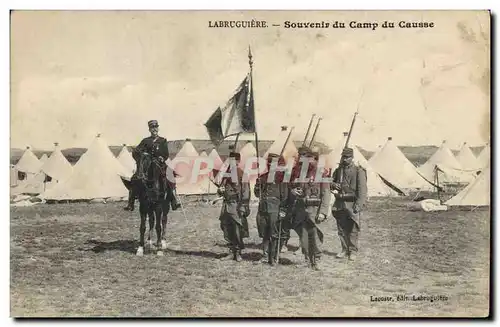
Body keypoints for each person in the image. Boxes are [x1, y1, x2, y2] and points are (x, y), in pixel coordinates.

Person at [286, 146, 331, 270]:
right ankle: (307, 260)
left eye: (308, 159)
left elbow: (326, 193)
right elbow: (291, 186)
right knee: (304, 237)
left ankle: (317, 260)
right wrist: (293, 191)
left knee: (315, 236)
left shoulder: (321, 173)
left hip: (314, 211)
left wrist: (323, 212)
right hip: (301, 210)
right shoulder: (299, 172)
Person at [123, 120, 181, 211]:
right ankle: (131, 203)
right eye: (152, 128)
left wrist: (163, 157)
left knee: (170, 175)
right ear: (149, 129)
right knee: (135, 178)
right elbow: (137, 151)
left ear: (158, 128)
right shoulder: (145, 141)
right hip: (147, 164)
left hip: (159, 163)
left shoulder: (163, 140)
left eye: (156, 127)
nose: (154, 129)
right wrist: (141, 155)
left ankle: (173, 201)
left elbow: (166, 153)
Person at [330, 147, 368, 261]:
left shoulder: (358, 171)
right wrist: (333, 184)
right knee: (341, 229)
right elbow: (331, 181)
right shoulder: (338, 170)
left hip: (352, 204)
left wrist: (359, 205)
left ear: (352, 158)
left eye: (347, 157)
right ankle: (344, 249)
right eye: (343, 157)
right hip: (340, 203)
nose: (345, 159)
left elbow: (362, 190)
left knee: (353, 229)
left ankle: (352, 251)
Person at [254, 153, 289, 265]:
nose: (270, 164)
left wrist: (283, 210)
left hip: (275, 208)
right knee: (265, 233)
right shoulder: (263, 177)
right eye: (269, 162)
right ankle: (265, 256)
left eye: (273, 162)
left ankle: (273, 257)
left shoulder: (282, 179)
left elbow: (285, 196)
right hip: (263, 208)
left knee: (274, 234)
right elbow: (256, 194)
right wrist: (257, 186)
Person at [218, 151, 251, 261]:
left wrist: (244, 205)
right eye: (230, 160)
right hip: (226, 204)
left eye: (234, 160)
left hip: (236, 205)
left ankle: (238, 252)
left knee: (237, 229)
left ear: (238, 161)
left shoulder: (242, 173)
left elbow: (246, 191)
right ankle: (231, 251)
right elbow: (221, 188)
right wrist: (220, 190)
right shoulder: (226, 174)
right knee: (226, 228)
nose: (232, 162)